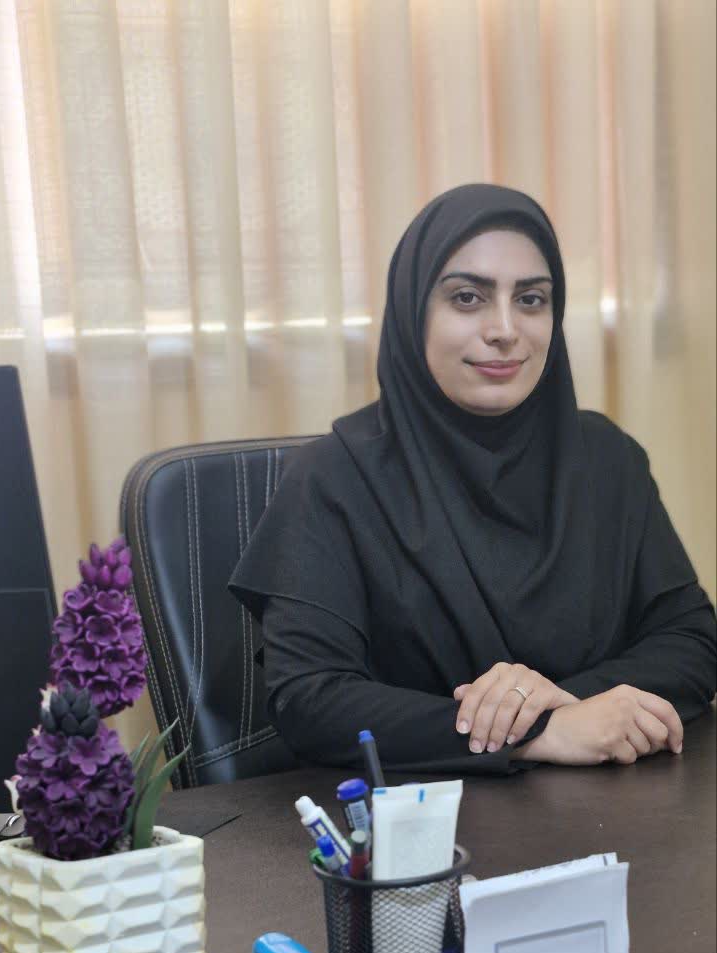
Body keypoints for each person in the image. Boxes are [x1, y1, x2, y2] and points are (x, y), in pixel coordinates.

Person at [229, 184, 716, 774]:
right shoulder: (334, 478)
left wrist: (561, 702)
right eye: (467, 298)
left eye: (531, 299)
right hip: (428, 819)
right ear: (414, 313)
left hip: (618, 811)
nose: (505, 328)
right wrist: (537, 733)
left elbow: (690, 640)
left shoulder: (609, 460)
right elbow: (310, 700)